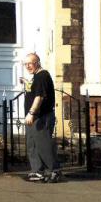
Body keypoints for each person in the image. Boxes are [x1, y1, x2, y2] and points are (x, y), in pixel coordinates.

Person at [21, 53, 62, 183]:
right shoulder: (36, 77)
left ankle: (54, 171)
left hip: (41, 116)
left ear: (37, 62)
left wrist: (32, 113)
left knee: (44, 145)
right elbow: (36, 91)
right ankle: (38, 171)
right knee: (32, 144)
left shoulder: (42, 76)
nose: (28, 66)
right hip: (34, 118)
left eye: (31, 63)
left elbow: (40, 96)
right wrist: (27, 83)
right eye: (26, 64)